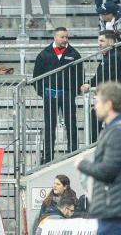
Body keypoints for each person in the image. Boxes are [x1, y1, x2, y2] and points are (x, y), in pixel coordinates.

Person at [76, 82, 121, 235]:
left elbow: (107, 171)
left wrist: (82, 164)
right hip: (114, 210)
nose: (95, 107)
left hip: (116, 212)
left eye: (97, 102)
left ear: (109, 104)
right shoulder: (116, 130)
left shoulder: (120, 132)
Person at [33, 27, 82, 162]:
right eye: (62, 37)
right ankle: (47, 157)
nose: (65, 40)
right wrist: (43, 93)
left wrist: (73, 93)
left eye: (66, 37)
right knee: (49, 126)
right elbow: (36, 76)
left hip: (67, 95)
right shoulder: (44, 54)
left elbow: (79, 75)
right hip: (50, 95)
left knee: (71, 124)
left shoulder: (74, 54)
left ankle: (73, 154)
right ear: (55, 37)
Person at [81, 31, 121, 142]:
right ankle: (94, 145)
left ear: (111, 41)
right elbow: (99, 76)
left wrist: (94, 86)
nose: (99, 44)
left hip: (112, 97)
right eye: (99, 41)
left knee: (100, 120)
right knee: (95, 118)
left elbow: (104, 77)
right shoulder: (109, 56)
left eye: (102, 41)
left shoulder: (115, 56)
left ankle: (94, 146)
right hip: (108, 96)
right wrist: (89, 83)